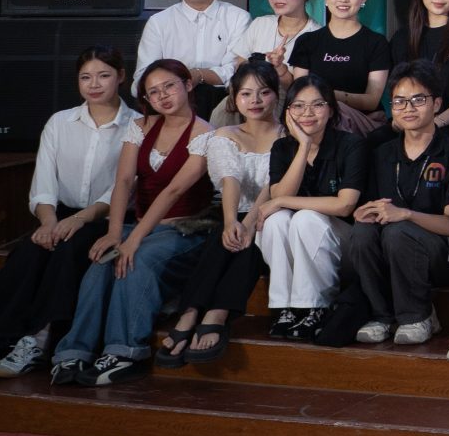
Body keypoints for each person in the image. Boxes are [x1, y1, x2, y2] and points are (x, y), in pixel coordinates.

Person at [50, 60, 212, 387]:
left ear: (187, 85)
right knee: (101, 264)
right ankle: (75, 350)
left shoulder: (205, 133)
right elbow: (124, 181)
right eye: (153, 92)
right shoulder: (140, 126)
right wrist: (114, 234)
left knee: (134, 260)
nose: (162, 96)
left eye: (169, 86)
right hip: (139, 227)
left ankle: (126, 352)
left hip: (184, 231)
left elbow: (174, 190)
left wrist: (133, 240)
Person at [0, 48, 134, 380]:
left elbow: (125, 186)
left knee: (69, 253)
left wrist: (80, 220)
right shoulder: (60, 122)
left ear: (121, 76)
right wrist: (48, 220)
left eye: (104, 75)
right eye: (85, 77)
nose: (94, 84)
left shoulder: (136, 125)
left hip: (107, 217)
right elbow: (44, 181)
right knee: (28, 252)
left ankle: (37, 341)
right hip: (58, 213)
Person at [154, 62, 284, 367]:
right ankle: (190, 313)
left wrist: (248, 223)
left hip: (272, 210)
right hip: (229, 208)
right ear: (234, 98)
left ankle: (217, 313)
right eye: (246, 94)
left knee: (252, 239)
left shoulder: (288, 136)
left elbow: (274, 185)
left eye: (264, 92)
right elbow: (230, 179)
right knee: (220, 237)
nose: (255, 101)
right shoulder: (225, 134)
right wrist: (230, 222)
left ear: (277, 95)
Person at [334, 60, 449, 347]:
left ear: (437, 104)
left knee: (397, 231)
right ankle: (381, 315)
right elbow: (371, 208)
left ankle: (418, 316)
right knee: (362, 232)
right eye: (399, 101)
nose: (408, 108)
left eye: (418, 100)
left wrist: (405, 214)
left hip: (440, 253)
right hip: (391, 247)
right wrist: (364, 212)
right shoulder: (382, 153)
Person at [252, 74, 364, 342]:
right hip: (297, 242)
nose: (307, 113)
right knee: (277, 221)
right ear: (288, 112)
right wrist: (303, 146)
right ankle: (285, 307)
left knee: (304, 218)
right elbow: (281, 193)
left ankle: (315, 306)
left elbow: (345, 205)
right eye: (299, 106)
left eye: (317, 105)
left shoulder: (351, 145)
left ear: (331, 109)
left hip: (345, 244)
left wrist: (281, 202)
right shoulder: (283, 147)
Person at [286, 0, 394, 132]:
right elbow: (301, 93)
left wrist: (327, 96)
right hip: (314, 119)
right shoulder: (307, 41)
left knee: (334, 113)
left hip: (361, 123)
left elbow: (371, 100)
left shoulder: (376, 43)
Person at [139, 0, 248, 94]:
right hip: (170, 101)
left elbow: (236, 72)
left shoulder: (238, 18)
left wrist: (198, 75)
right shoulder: (159, 22)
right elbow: (142, 79)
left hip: (223, 100)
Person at [235, 0, 318, 105]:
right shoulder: (260, 24)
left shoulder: (317, 35)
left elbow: (303, 91)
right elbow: (239, 66)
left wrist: (279, 68)